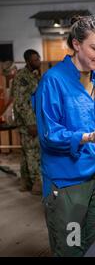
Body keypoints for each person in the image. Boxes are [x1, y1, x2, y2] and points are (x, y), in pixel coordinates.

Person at [32, 15, 95, 256]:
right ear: (76, 44)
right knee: (71, 249)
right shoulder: (53, 82)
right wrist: (89, 137)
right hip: (69, 182)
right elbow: (50, 135)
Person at [10, 49, 42, 194]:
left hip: (34, 120)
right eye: (35, 59)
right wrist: (31, 123)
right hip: (28, 122)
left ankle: (25, 182)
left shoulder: (33, 75)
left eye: (38, 58)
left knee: (26, 152)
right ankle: (36, 183)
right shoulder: (22, 77)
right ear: (28, 61)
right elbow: (20, 103)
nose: (38, 61)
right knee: (32, 151)